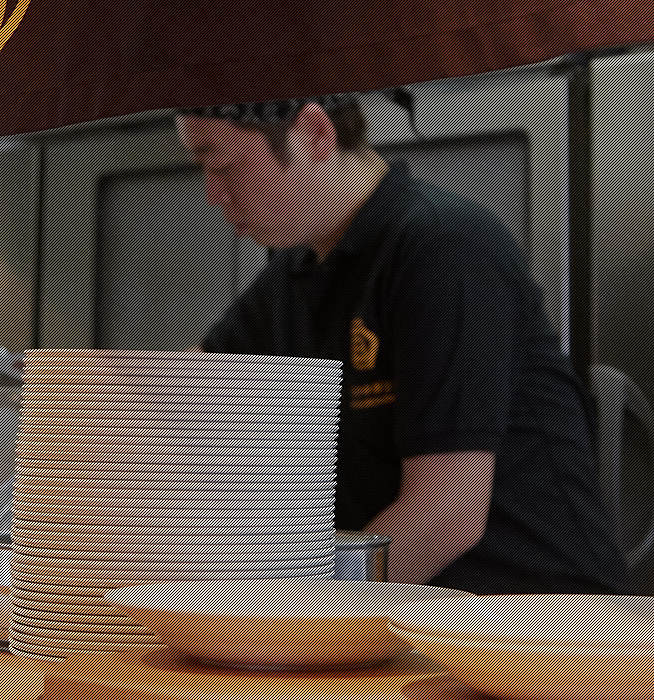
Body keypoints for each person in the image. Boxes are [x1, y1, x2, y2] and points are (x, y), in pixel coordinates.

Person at [175, 94, 631, 595]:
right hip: (406, 627)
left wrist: (299, 610)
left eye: (220, 164)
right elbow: (188, 402)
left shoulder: (443, 247)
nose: (212, 194)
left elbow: (448, 512)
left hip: (540, 633)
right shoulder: (297, 274)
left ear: (313, 134)